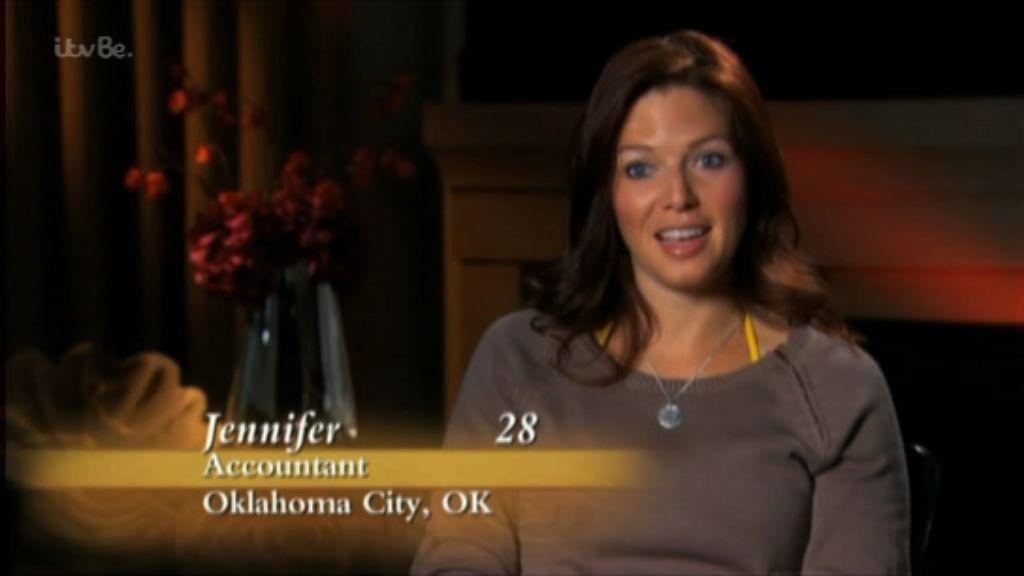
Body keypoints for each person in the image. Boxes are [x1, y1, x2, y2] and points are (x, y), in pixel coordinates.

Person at [411, 29, 912, 575]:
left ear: (752, 175)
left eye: (710, 160)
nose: (678, 197)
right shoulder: (517, 360)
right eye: (640, 168)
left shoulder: (838, 389)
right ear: (608, 193)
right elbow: (458, 557)